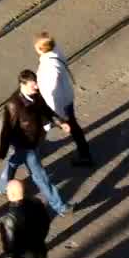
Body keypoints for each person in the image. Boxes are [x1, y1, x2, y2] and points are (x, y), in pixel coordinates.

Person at [0, 69, 74, 216]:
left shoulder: (35, 95)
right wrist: (2, 150)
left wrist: (61, 123)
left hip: (35, 140)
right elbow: (6, 130)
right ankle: (60, 206)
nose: (37, 87)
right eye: (33, 85)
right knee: (41, 177)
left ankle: (2, 186)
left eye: (36, 84)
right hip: (26, 145)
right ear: (23, 84)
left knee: (14, 161)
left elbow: (47, 111)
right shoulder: (13, 105)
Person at [35, 33, 93, 167]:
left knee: (44, 126)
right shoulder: (55, 52)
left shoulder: (49, 66)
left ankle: (85, 156)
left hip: (57, 104)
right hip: (66, 97)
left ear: (40, 48)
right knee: (72, 126)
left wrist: (55, 115)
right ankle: (84, 154)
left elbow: (51, 92)